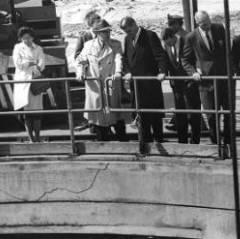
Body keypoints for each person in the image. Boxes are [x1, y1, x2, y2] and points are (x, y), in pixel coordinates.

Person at [181, 11, 231, 146]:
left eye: (208, 22)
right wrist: (193, 72)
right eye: (203, 24)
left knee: (228, 114)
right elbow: (185, 60)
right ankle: (216, 144)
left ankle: (228, 143)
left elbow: (227, 50)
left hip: (223, 79)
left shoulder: (219, 28)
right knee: (211, 116)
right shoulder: (191, 37)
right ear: (197, 23)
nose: (207, 26)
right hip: (206, 83)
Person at [76, 19, 127, 141]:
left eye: (108, 31)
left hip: (110, 83)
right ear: (97, 33)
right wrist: (80, 73)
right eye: (104, 32)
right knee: (98, 116)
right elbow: (80, 61)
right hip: (95, 85)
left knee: (115, 114)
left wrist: (118, 72)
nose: (107, 34)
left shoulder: (116, 44)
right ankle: (103, 143)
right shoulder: (88, 45)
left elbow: (118, 58)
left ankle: (123, 142)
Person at [120, 17, 168, 147]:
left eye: (129, 30)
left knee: (155, 115)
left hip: (150, 82)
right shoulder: (127, 39)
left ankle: (159, 141)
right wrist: (127, 71)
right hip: (136, 84)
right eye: (126, 32)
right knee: (141, 115)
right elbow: (125, 59)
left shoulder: (149, 35)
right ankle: (145, 144)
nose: (128, 33)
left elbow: (160, 55)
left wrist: (163, 71)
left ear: (134, 24)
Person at [162, 27, 202, 144]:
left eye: (167, 41)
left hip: (190, 83)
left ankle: (195, 141)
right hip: (177, 85)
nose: (167, 44)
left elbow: (195, 58)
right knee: (180, 115)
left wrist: (195, 71)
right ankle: (182, 141)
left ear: (172, 37)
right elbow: (168, 63)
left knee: (193, 114)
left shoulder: (186, 41)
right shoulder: (167, 47)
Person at [12, 26, 45, 143]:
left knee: (37, 111)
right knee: (27, 112)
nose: (27, 40)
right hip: (23, 81)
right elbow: (18, 64)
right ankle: (31, 138)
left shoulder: (38, 48)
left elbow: (42, 63)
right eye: (24, 38)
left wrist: (35, 65)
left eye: (29, 37)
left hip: (35, 80)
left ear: (32, 37)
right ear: (21, 38)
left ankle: (37, 137)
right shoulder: (17, 48)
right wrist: (31, 62)